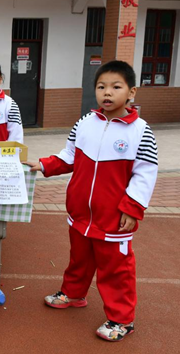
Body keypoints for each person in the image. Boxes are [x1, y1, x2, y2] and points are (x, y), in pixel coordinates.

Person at [25, 60, 158, 342]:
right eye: (101, 87)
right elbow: (69, 154)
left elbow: (145, 173)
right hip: (80, 213)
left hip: (114, 218)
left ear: (131, 91)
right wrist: (44, 164)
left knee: (116, 269)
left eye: (115, 87)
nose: (107, 93)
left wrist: (132, 208)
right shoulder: (85, 122)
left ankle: (122, 320)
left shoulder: (141, 131)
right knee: (79, 259)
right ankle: (73, 294)